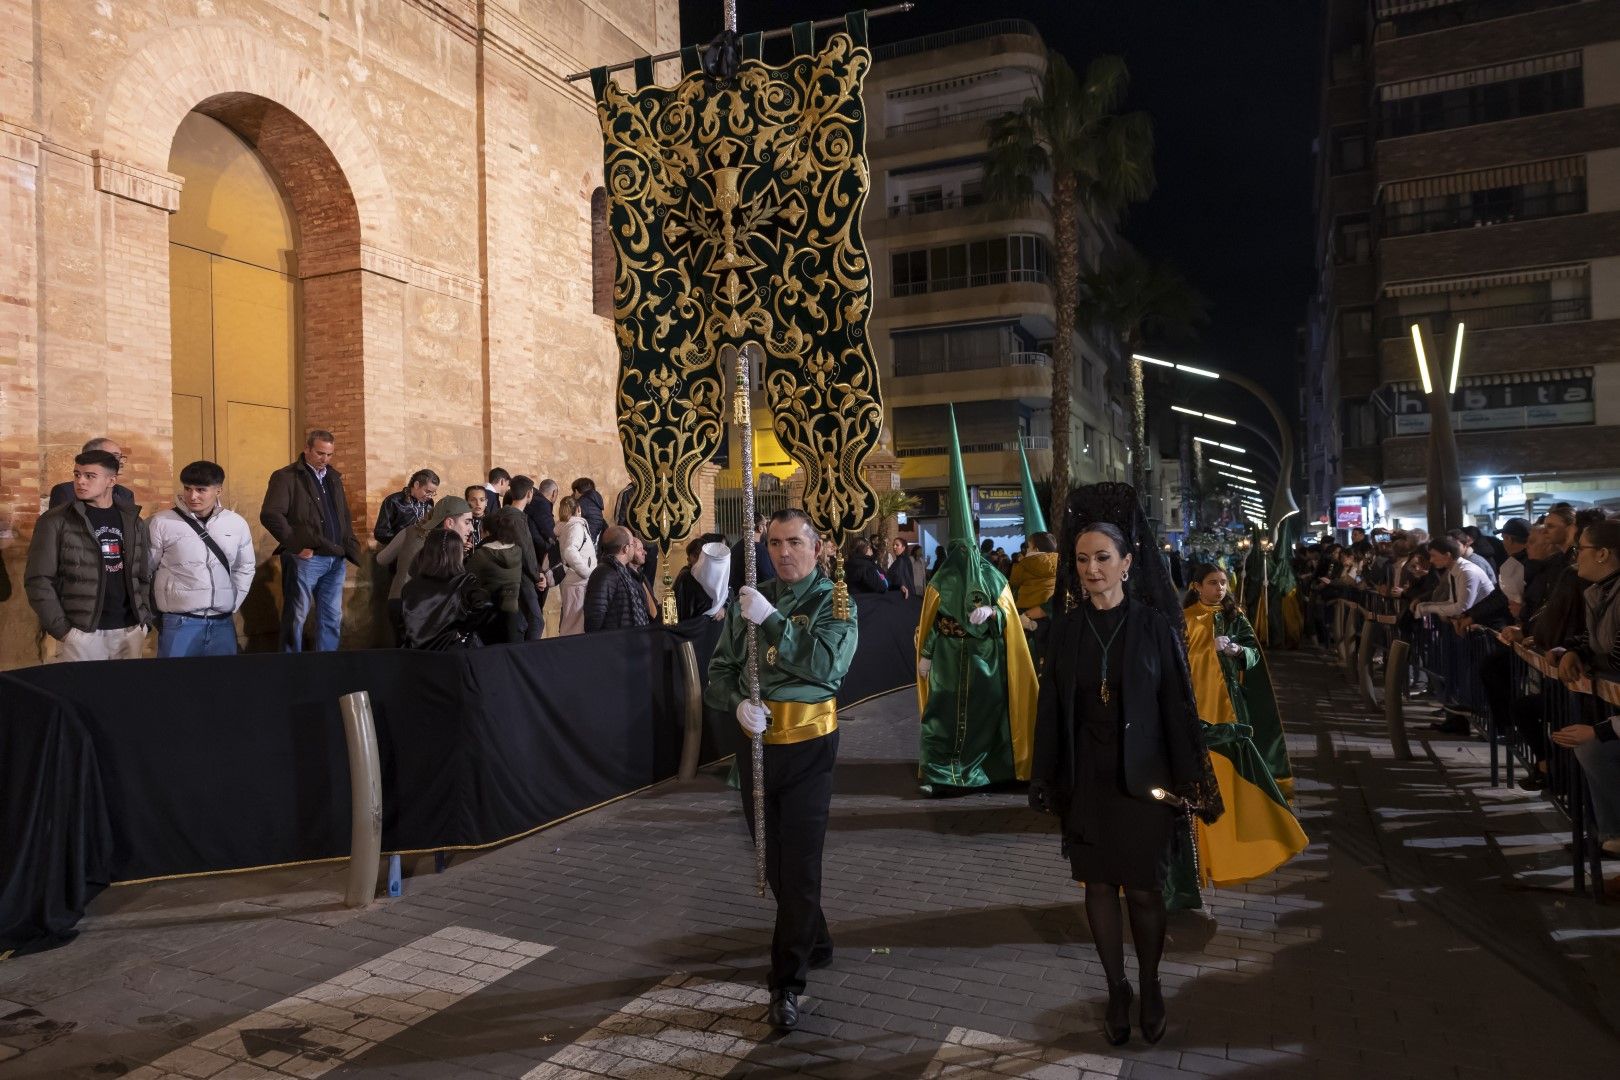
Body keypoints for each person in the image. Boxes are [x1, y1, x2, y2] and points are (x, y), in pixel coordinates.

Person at [1029, 482, 1223, 1047]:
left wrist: (1191, 781)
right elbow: (1050, 711)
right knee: (1095, 885)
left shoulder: (1156, 627)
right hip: (1087, 777)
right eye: (1083, 559)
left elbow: (1177, 708)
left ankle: (1151, 981)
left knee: (1142, 890)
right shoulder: (1063, 631)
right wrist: (1046, 776)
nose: (1092, 569)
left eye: (1103, 559)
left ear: (1128, 562)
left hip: (1145, 781)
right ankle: (1117, 988)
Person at [705, 508, 858, 1032]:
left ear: (818, 548)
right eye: (774, 543)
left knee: (799, 865)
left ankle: (785, 984)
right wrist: (736, 703)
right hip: (758, 747)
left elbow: (824, 666)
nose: (783, 552)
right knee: (772, 864)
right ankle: (814, 935)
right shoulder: (747, 599)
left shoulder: (832, 600)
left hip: (811, 748)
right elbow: (719, 672)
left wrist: (770, 618)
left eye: (794, 542)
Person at [916, 414, 1038, 795]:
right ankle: (945, 773)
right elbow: (934, 622)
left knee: (988, 717)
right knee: (945, 717)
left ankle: (992, 769)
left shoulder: (996, 578)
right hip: (949, 664)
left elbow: (1011, 621)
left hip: (988, 661)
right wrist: (927, 653)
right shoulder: (939, 581)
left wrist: (997, 614)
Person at [1180, 564, 1307, 890]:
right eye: (1212, 583)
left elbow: (1253, 655)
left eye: (1223, 583)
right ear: (1197, 585)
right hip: (1196, 701)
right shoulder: (1184, 618)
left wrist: (1236, 650)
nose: (1220, 589)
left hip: (1230, 703)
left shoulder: (1235, 617)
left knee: (1231, 753)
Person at [25, 448, 154, 661]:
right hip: (82, 632)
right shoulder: (55, 521)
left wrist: (144, 621)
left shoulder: (133, 520)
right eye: (77, 475)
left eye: (90, 476)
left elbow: (142, 574)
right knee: (81, 694)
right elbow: (38, 579)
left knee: (128, 693)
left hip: (130, 630)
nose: (80, 482)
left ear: (111, 480)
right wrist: (64, 631)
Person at [260, 429, 361, 652]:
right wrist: (296, 546)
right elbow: (270, 514)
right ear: (306, 449)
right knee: (296, 616)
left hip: (335, 558)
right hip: (306, 558)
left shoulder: (333, 477)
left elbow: (342, 514)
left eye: (329, 454)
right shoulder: (286, 477)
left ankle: (325, 666)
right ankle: (290, 667)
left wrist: (348, 547)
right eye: (320, 453)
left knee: (332, 617)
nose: (324, 459)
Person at [147, 460, 256, 657]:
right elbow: (147, 569)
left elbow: (245, 567)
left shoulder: (236, 523)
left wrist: (232, 602)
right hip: (179, 622)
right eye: (187, 489)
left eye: (201, 489)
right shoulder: (162, 522)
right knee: (175, 684)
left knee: (222, 683)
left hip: (223, 622)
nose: (192, 496)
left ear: (218, 491)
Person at [377, 495, 475, 644]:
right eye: (467, 522)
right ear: (449, 522)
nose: (471, 528)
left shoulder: (409, 531)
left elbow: (381, 559)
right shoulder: (449, 546)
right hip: (425, 609)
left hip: (396, 601)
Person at [400, 530, 493, 650]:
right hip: (451, 655)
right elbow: (486, 604)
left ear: (427, 552)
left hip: (417, 657)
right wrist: (463, 630)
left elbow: (404, 629)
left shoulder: (409, 587)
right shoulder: (464, 581)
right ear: (457, 553)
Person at [467, 510, 526, 644]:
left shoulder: (482, 555)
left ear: (487, 532)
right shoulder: (517, 550)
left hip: (490, 619)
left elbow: (466, 579)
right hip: (514, 616)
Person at [497, 478, 545, 641]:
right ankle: (527, 659)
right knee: (536, 622)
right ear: (529, 493)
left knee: (519, 623)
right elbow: (525, 551)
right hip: (520, 577)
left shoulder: (504, 515)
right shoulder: (516, 518)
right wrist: (537, 575)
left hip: (508, 576)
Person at [583, 526, 651, 632]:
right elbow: (594, 619)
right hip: (614, 643)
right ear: (626, 549)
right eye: (633, 544)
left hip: (627, 640)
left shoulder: (623, 572)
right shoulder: (604, 573)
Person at [47, 437, 134, 509]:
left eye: (120, 456)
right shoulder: (66, 492)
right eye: (114, 456)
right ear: (91, 456)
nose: (121, 461)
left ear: (112, 481)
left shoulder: (126, 494)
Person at [557, 493, 597, 635]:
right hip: (578, 582)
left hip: (573, 581)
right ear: (578, 509)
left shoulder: (567, 527)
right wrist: (587, 573)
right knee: (574, 626)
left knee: (571, 622)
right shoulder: (576, 527)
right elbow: (570, 552)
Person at [373, 469, 438, 545]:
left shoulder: (429, 503)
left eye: (433, 493)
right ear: (416, 485)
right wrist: (404, 541)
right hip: (396, 549)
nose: (430, 496)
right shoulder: (394, 501)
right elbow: (381, 533)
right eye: (428, 492)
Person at [673, 533, 728, 621]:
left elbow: (726, 593)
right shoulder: (686, 576)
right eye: (696, 555)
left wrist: (723, 607)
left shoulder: (710, 573)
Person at [730, 512, 776, 596]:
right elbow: (769, 579)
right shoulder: (760, 550)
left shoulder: (735, 548)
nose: (767, 528)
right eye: (765, 525)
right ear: (760, 528)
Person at [571, 477, 607, 542]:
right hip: (595, 539)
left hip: (586, 540)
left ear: (576, 491)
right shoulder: (594, 500)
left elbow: (570, 521)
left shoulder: (582, 502)